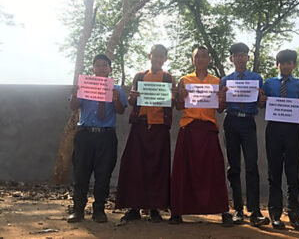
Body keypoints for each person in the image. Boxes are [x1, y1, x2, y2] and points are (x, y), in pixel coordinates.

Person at [169, 46, 233, 227]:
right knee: (183, 171)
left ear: (209, 60)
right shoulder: (185, 80)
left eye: (204, 56)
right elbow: (179, 108)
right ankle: (177, 211)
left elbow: (220, 109)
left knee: (215, 170)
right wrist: (180, 98)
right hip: (188, 128)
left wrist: (222, 98)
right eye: (197, 57)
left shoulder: (216, 81)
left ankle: (224, 210)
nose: (201, 59)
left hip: (208, 129)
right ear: (192, 60)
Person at [115, 44, 176, 223]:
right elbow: (132, 99)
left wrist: (173, 98)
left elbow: (170, 103)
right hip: (140, 126)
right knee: (135, 167)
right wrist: (132, 98)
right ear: (149, 56)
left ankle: (155, 208)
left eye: (161, 57)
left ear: (165, 59)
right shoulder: (140, 76)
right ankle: (134, 208)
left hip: (159, 127)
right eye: (154, 56)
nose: (157, 59)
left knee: (158, 168)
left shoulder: (168, 78)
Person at [68, 54, 127, 223]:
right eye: (98, 65)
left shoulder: (116, 89)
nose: (101, 68)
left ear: (110, 69)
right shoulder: (84, 86)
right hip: (85, 135)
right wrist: (74, 94)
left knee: (103, 174)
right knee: (81, 173)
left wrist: (115, 98)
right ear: (93, 69)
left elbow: (121, 111)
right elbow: (73, 106)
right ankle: (78, 209)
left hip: (106, 136)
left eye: (104, 65)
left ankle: (99, 210)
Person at [220, 43, 269, 227]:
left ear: (248, 58)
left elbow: (260, 105)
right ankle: (238, 210)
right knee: (233, 167)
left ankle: (255, 211)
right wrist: (222, 97)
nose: (240, 58)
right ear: (231, 59)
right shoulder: (225, 80)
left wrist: (260, 99)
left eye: (243, 55)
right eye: (236, 55)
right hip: (231, 122)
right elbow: (220, 107)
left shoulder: (257, 79)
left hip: (248, 122)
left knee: (251, 165)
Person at [259, 49, 299, 231]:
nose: (286, 66)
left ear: (294, 65)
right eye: (282, 63)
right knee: (274, 174)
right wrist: (262, 100)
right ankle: (275, 215)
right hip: (273, 130)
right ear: (277, 65)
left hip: (293, 131)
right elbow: (261, 103)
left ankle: (295, 216)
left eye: (289, 63)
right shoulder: (269, 83)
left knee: (293, 173)